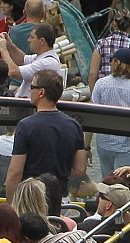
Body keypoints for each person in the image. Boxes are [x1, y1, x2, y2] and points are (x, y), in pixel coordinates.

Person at [5, 72, 86, 210]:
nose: (29, 90)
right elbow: (80, 169)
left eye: (32, 87)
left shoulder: (26, 126)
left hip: (31, 201)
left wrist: (11, 205)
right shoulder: (74, 126)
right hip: (61, 200)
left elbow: (15, 172)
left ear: (41, 92)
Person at [90, 50, 130, 176]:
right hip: (128, 145)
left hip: (104, 143)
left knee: (107, 180)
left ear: (115, 62)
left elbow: (92, 117)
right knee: (126, 181)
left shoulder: (101, 84)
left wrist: (86, 146)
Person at [0, 23, 65, 99]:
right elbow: (22, 59)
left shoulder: (47, 63)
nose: (28, 40)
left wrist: (3, 50)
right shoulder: (42, 57)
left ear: (42, 41)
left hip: (30, 105)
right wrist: (9, 44)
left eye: (32, 37)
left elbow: (13, 72)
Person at [94, 9, 130, 81]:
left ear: (114, 23)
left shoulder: (101, 43)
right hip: (127, 85)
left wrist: (95, 88)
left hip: (105, 84)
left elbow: (92, 73)